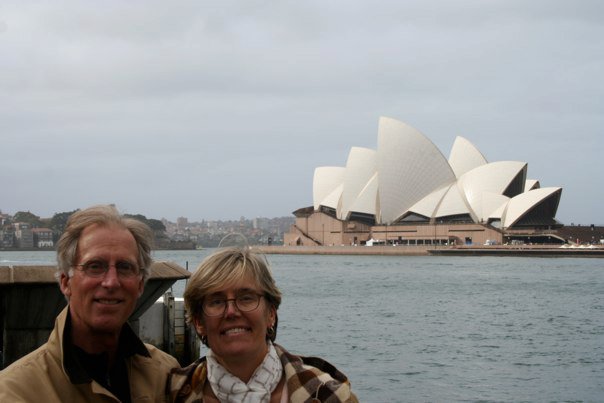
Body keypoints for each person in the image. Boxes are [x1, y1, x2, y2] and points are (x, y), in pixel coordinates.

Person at [0, 205, 179, 402]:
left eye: (125, 267)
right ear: (65, 282)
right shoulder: (16, 392)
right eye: (95, 266)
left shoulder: (166, 376)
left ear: (140, 285)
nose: (111, 282)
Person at [168, 247, 357, 403]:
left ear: (271, 314)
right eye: (216, 301)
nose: (232, 312)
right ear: (199, 322)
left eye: (246, 298)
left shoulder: (327, 395)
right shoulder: (172, 393)